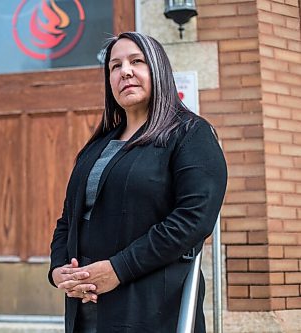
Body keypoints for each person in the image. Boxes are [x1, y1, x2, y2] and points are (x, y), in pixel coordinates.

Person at [48, 32, 227, 333]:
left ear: (158, 69)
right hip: (87, 309)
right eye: (115, 66)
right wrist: (58, 271)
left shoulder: (190, 135)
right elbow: (68, 219)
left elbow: (193, 220)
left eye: (136, 61)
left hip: (152, 307)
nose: (125, 71)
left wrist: (118, 269)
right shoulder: (96, 147)